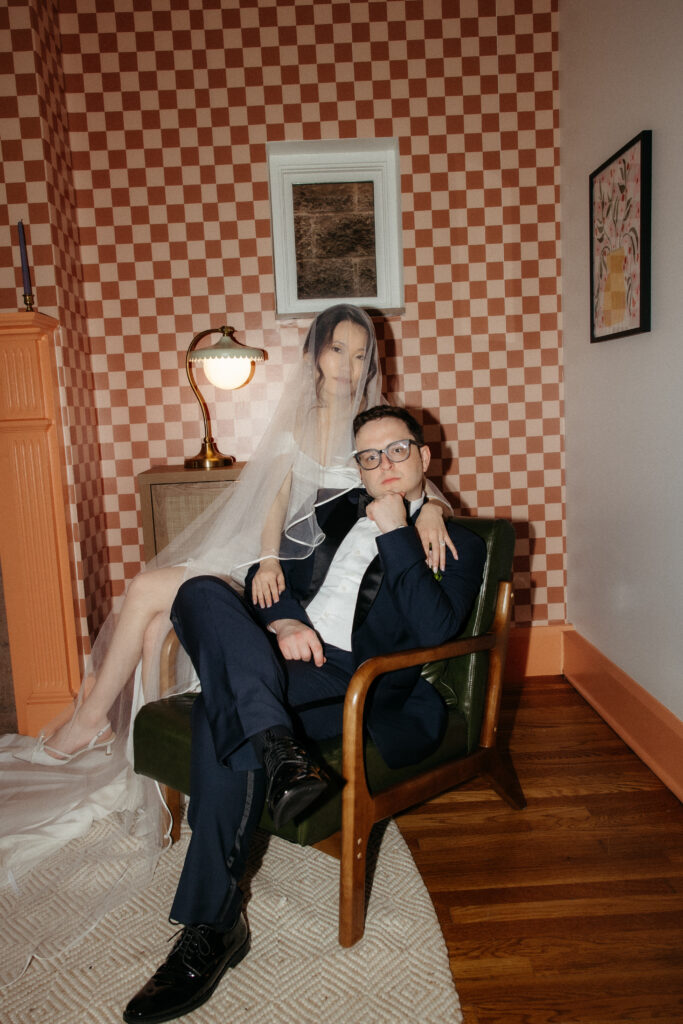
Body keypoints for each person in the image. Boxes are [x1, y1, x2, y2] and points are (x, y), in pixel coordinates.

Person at [0, 305, 452, 987]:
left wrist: (436, 509)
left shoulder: (373, 430)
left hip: (318, 595)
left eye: (361, 354)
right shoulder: (301, 419)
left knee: (164, 610)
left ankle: (108, 730)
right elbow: (273, 498)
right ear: (315, 353)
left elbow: (410, 484)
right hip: (277, 567)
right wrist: (266, 560)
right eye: (338, 350)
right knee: (155, 596)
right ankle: (96, 720)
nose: (350, 365)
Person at [122, 405, 487, 1024]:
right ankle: (279, 749)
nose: (384, 465)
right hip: (292, 657)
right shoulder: (334, 515)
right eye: (369, 457)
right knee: (198, 590)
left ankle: (212, 928)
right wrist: (286, 619)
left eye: (398, 450)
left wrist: (398, 529)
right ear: (358, 469)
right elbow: (272, 580)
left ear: (425, 457)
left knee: (219, 711)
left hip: (359, 682)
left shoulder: (454, 540)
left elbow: (435, 628)